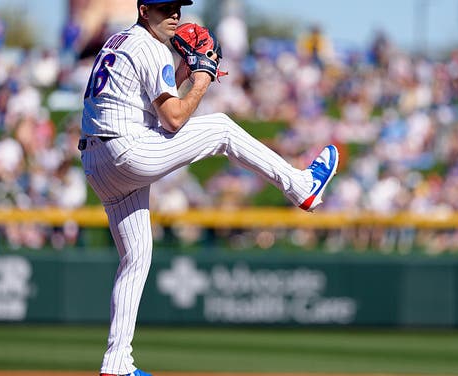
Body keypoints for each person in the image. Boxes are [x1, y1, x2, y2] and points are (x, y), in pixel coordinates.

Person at [79, 1, 339, 375]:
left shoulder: (119, 40)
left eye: (177, 7)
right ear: (143, 9)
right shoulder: (151, 48)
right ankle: (301, 185)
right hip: (127, 151)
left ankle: (116, 362)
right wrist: (201, 75)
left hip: (98, 162)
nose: (174, 14)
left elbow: (153, 106)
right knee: (220, 127)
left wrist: (186, 72)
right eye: (164, 7)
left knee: (136, 258)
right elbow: (173, 119)